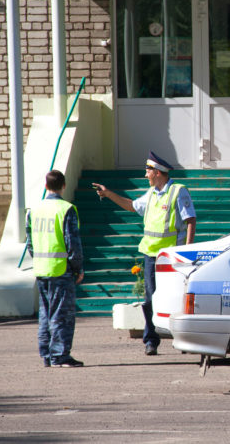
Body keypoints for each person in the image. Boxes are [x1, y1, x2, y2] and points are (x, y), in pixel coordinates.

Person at [92, 151, 196, 356]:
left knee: (177, 299)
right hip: (151, 256)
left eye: (148, 171)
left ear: (158, 172)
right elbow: (131, 206)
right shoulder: (151, 194)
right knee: (150, 300)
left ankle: (182, 339)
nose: (145, 174)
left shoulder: (178, 191)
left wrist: (188, 251)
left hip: (172, 257)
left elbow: (190, 220)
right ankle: (151, 340)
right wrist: (109, 193)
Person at [27, 170, 85, 368]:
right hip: (61, 270)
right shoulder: (66, 209)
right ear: (64, 186)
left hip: (41, 269)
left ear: (46, 187)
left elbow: (30, 243)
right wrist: (78, 268)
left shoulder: (34, 210)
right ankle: (60, 355)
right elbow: (73, 243)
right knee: (62, 315)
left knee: (45, 313)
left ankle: (47, 354)